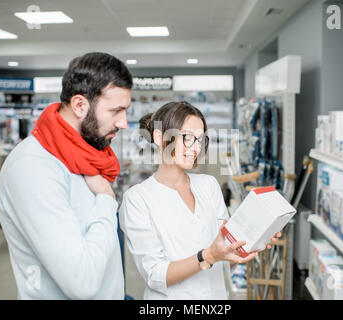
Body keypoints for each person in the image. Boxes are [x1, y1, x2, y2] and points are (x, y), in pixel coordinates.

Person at [0, 52, 132, 299]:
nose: (124, 122)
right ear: (80, 105)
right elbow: (83, 282)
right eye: (116, 111)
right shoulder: (33, 168)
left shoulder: (87, 154)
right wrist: (105, 199)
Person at [119, 101, 280, 299]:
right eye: (187, 138)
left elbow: (223, 259)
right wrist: (209, 255)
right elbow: (155, 275)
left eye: (200, 140)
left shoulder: (209, 186)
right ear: (160, 137)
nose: (195, 148)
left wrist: (252, 241)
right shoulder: (138, 199)